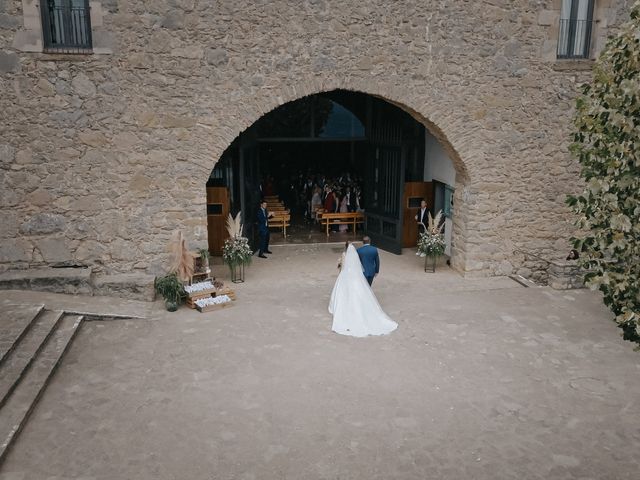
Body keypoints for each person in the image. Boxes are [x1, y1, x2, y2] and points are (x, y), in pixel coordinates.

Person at [329, 243, 397, 337]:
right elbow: (360, 264)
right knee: (362, 290)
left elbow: (343, 267)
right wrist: (376, 270)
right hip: (357, 275)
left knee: (342, 292)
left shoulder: (345, 254)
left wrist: (340, 266)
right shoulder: (358, 253)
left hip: (346, 275)